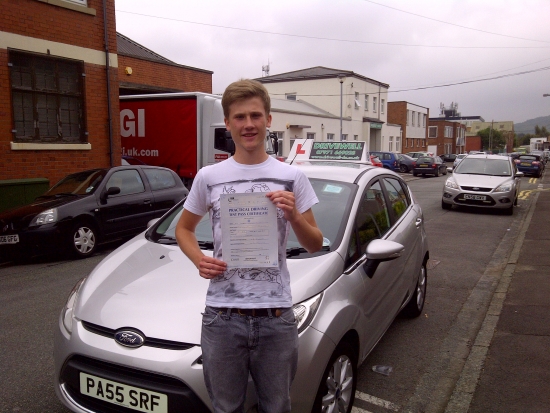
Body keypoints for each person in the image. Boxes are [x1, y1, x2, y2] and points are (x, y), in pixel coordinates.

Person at [175, 79, 323, 413]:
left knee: (277, 407)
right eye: (239, 117)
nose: (249, 124)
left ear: (268, 119)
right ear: (227, 123)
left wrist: (294, 215)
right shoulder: (208, 176)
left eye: (255, 115)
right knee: (225, 408)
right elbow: (184, 229)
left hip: (276, 315)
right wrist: (199, 258)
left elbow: (314, 244)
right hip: (222, 317)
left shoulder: (292, 177)